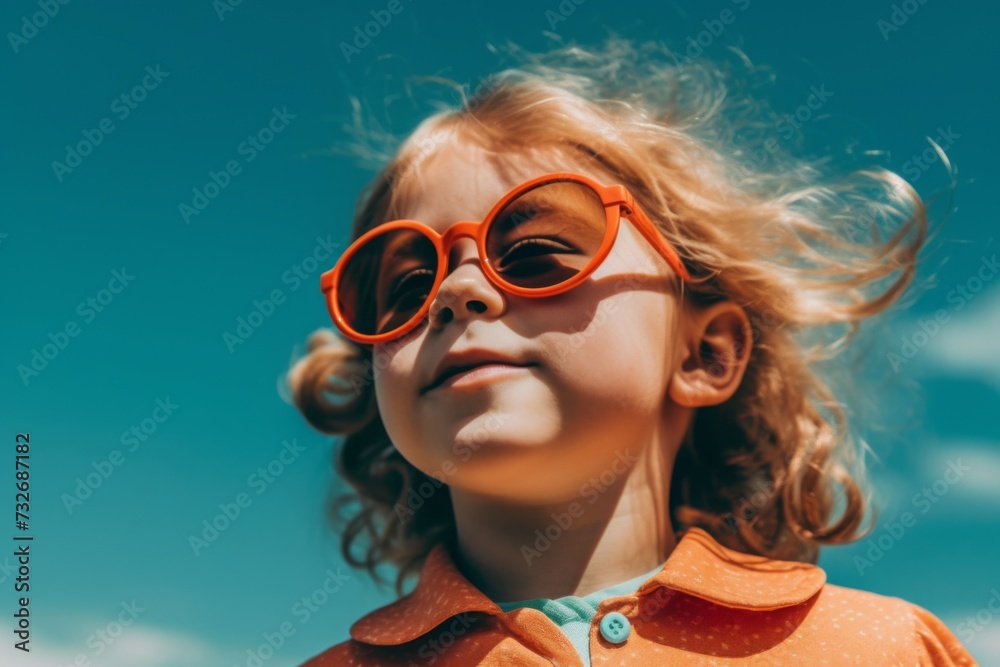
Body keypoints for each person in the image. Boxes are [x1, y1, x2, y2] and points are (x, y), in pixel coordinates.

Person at [287, 36, 976, 666]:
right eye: (405, 287)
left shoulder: (884, 648)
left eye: (530, 254)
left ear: (704, 354)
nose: (455, 291)